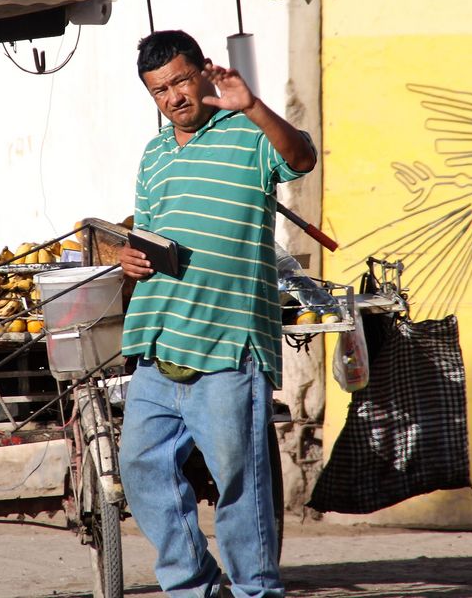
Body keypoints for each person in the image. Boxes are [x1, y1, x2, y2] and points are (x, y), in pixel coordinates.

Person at [117, 30, 317, 598]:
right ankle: (193, 587)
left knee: (241, 485)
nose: (174, 97)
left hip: (230, 348)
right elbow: (147, 229)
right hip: (158, 345)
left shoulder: (247, 134)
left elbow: (301, 157)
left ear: (204, 71)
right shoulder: (155, 153)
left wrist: (252, 105)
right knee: (142, 469)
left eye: (181, 80)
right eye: (160, 91)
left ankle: (256, 591)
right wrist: (133, 256)